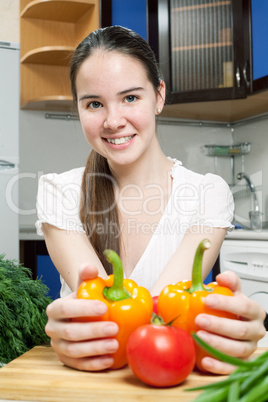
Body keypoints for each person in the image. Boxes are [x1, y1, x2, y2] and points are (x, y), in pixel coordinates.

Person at [36, 26, 266, 374]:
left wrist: (236, 332)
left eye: (130, 98)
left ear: (158, 96)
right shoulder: (60, 192)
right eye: (94, 103)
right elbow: (106, 321)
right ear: (78, 109)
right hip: (89, 384)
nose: (114, 121)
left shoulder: (207, 194)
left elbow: (161, 319)